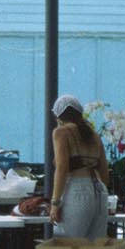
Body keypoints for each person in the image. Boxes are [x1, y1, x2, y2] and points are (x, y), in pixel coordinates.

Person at [47, 94, 111, 240]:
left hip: (77, 191)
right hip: (100, 191)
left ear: (58, 116)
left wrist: (55, 203)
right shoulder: (94, 134)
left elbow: (62, 168)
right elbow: (104, 171)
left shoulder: (61, 132)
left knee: (68, 247)